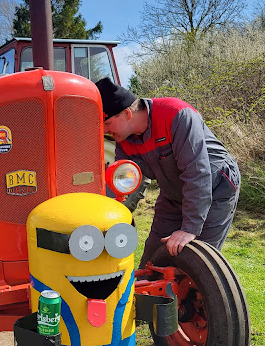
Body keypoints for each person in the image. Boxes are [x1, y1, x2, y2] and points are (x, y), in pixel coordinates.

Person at [95, 78, 240, 267]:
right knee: (152, 261)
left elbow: (197, 173)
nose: (104, 130)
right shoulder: (124, 141)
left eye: (106, 123)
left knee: (199, 262)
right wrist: (103, 221)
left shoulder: (176, 115)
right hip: (173, 192)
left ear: (126, 113)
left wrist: (190, 228)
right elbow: (122, 183)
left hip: (216, 187)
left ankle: (195, 296)